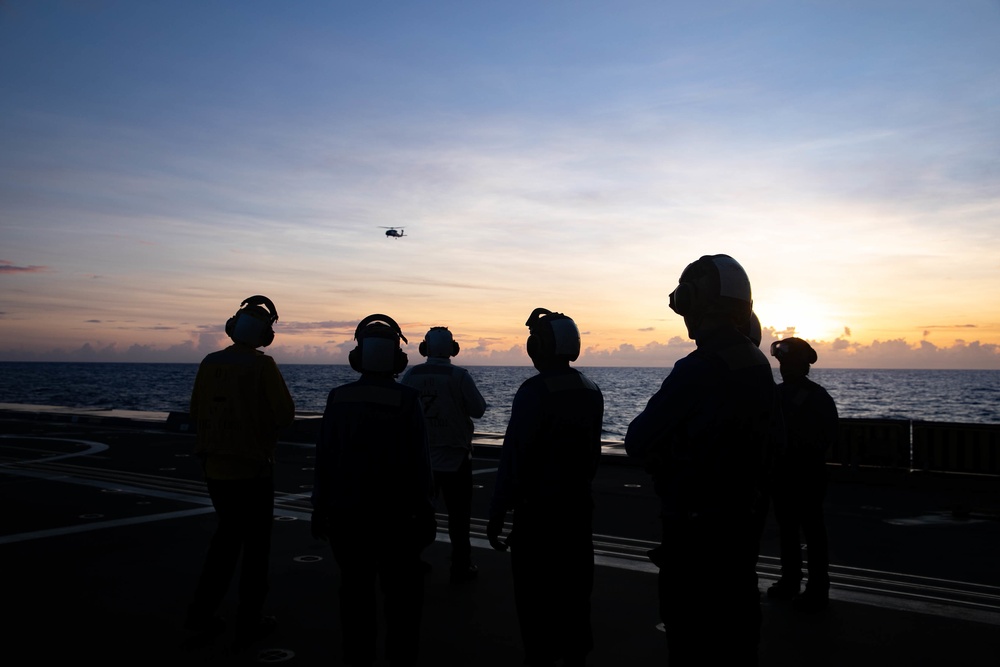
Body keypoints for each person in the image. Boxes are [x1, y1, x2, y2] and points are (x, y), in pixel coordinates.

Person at [624, 255, 781, 667]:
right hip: (737, 534)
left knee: (692, 647)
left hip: (696, 542)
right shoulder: (756, 363)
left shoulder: (700, 367)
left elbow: (637, 440)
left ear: (695, 301)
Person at [311, 314, 435, 667]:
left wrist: (319, 508)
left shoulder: (338, 399)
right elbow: (419, 465)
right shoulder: (408, 400)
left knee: (355, 598)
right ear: (398, 359)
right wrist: (425, 512)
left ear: (358, 356)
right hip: (398, 521)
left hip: (347, 518)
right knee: (402, 605)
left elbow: (325, 458)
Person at [487, 308, 604, 667]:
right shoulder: (590, 388)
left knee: (536, 605)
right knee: (574, 600)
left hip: (537, 518)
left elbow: (515, 456)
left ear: (536, 346)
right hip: (577, 512)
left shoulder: (533, 391)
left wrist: (497, 511)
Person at [184, 295, 296, 649]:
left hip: (215, 469)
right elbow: (286, 415)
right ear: (266, 335)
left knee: (224, 543)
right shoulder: (263, 367)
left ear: (232, 328)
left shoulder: (209, 361)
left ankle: (201, 613)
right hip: (253, 471)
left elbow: (194, 410)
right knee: (255, 549)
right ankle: (249, 619)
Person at [401, 326, 487, 583]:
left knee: (418, 516)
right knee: (459, 520)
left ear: (424, 349)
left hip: (422, 459)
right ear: (453, 349)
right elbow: (479, 410)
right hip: (456, 459)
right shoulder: (459, 376)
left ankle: (410, 560)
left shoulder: (411, 374)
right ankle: (461, 565)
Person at [766, 337, 839, 612]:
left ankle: (811, 586)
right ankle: (798, 582)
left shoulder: (797, 396)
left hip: (800, 473)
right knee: (799, 530)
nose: (782, 367)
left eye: (785, 362)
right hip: (796, 473)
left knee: (805, 530)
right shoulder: (807, 395)